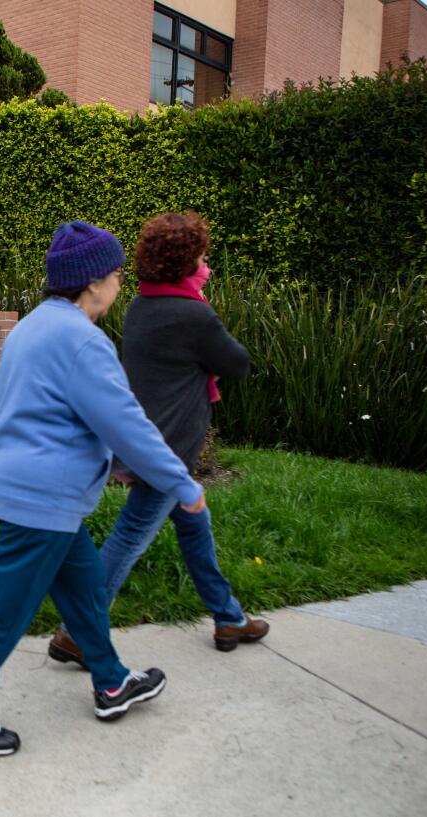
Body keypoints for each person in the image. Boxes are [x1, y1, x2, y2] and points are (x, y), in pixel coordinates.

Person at [0, 220, 207, 757]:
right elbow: (127, 423)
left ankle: (111, 682)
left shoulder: (33, 327)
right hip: (42, 502)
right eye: (118, 274)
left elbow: (31, 412)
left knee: (82, 590)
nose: (121, 283)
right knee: (3, 613)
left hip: (31, 489)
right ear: (94, 281)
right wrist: (180, 481)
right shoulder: (83, 341)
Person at [48, 211, 269, 668]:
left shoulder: (140, 307)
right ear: (186, 263)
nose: (207, 265)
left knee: (194, 523)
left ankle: (228, 616)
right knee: (130, 535)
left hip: (147, 438)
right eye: (203, 257)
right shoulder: (194, 315)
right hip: (168, 451)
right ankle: (76, 633)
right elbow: (238, 364)